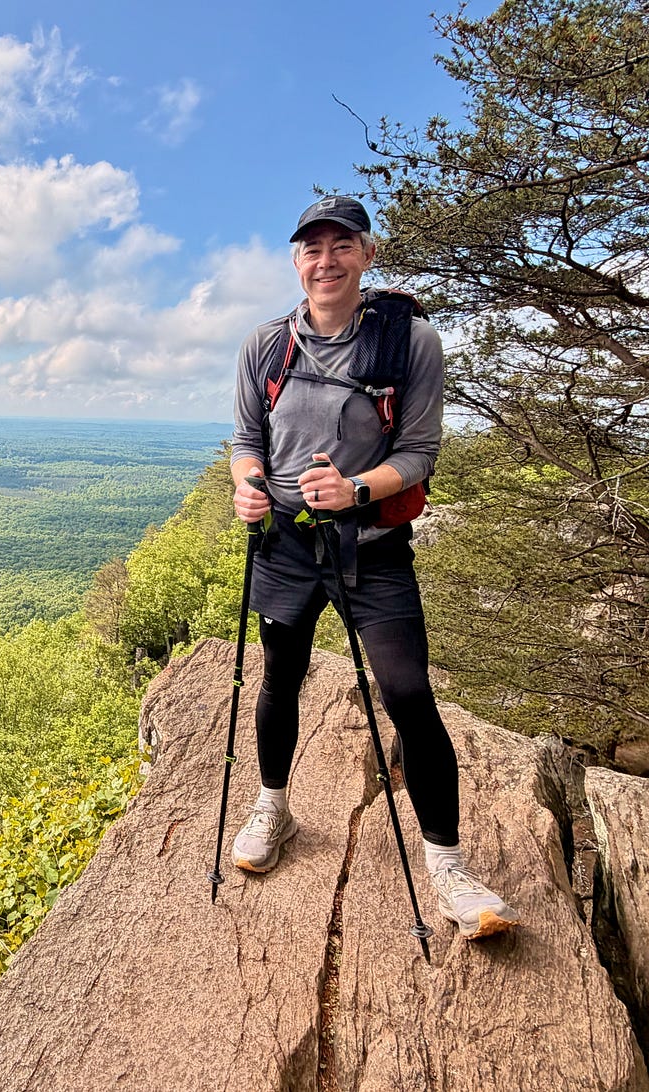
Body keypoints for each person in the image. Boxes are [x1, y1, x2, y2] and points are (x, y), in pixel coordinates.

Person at [228, 195, 519, 940]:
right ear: (296, 260)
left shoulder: (409, 341)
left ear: (367, 253)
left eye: (341, 245)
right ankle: (273, 808)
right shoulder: (267, 344)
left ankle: (447, 866)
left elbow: (419, 452)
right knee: (279, 676)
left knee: (409, 692)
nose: (325, 261)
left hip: (373, 546)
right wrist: (247, 484)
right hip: (286, 543)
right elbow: (247, 439)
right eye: (311, 248)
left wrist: (355, 489)